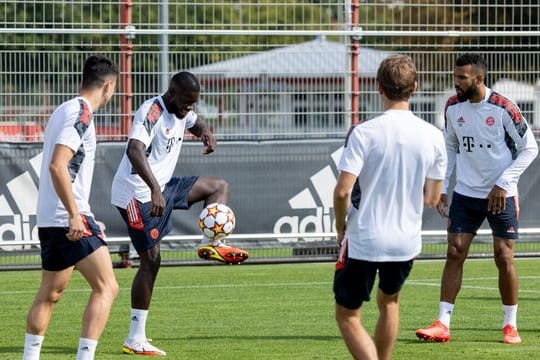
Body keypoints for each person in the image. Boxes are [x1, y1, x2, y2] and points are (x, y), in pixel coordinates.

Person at [111, 71, 249, 356]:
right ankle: (135, 339)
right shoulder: (152, 112)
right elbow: (134, 150)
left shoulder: (184, 109)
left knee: (218, 187)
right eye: (186, 103)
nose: (189, 109)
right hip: (137, 195)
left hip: (162, 186)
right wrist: (154, 190)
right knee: (151, 262)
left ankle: (210, 244)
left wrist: (207, 133)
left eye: (193, 104)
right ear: (172, 93)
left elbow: (195, 123)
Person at [415, 54, 539, 344]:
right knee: (455, 251)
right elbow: (451, 147)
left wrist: (504, 183)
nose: (455, 83)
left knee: (503, 256)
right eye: (455, 76)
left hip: (501, 194)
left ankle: (510, 325)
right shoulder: (452, 106)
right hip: (466, 193)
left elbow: (529, 148)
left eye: (461, 78)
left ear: (479, 79)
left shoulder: (503, 108)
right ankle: (442, 323)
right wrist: (444, 185)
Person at [333, 54, 447, 360]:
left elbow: (343, 191)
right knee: (390, 303)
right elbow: (433, 198)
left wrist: (340, 226)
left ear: (378, 87)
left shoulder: (365, 132)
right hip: (405, 240)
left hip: (365, 237)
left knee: (348, 315)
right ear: (416, 87)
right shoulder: (434, 136)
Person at [22, 54, 119, 360]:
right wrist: (76, 214)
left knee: (50, 294)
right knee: (108, 287)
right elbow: (57, 165)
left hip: (52, 218)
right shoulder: (82, 113)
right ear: (109, 86)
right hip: (68, 218)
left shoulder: (63, 109)